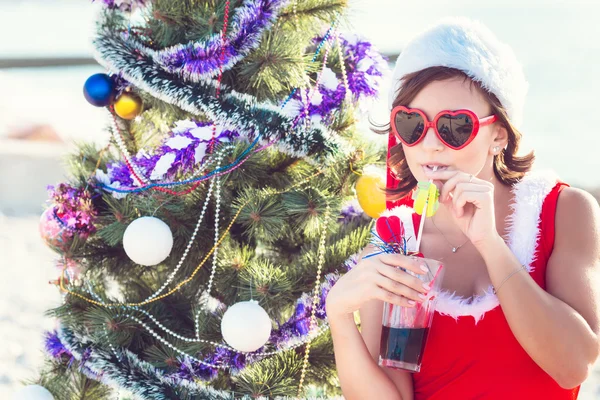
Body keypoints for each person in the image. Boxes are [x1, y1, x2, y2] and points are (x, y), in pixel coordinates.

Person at [325, 17, 600, 399]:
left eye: (455, 126)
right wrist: (338, 317)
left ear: (499, 134)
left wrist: (490, 244)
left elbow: (574, 365)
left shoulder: (563, 210)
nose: (431, 144)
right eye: (412, 125)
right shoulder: (396, 243)